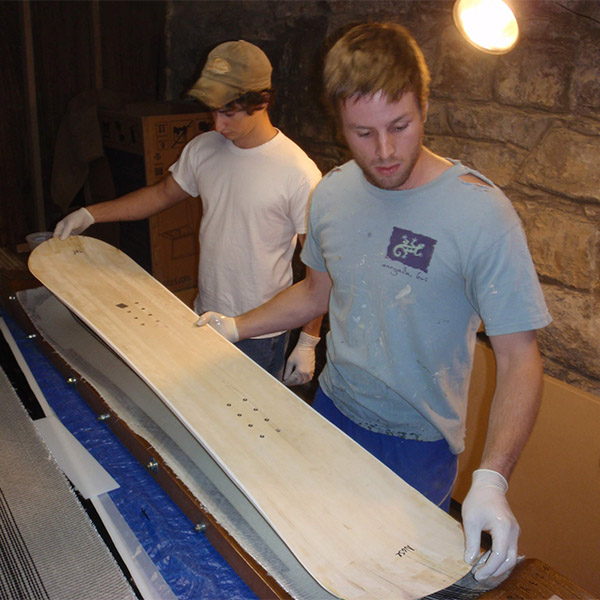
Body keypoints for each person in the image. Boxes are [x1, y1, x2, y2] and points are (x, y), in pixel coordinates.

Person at [197, 22, 552, 582]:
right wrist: (235, 328)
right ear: (339, 119)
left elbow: (519, 355)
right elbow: (316, 290)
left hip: (420, 442)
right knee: (310, 562)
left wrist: (492, 477)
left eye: (400, 126)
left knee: (387, 582)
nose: (385, 152)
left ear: (424, 106)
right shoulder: (333, 193)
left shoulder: (480, 213)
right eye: (363, 133)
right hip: (333, 413)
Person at [54, 40, 322, 384]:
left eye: (229, 112)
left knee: (244, 425)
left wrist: (308, 340)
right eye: (212, 111)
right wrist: (90, 214)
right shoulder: (204, 148)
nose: (218, 125)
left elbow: (321, 272)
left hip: (261, 333)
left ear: (263, 101)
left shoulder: (298, 173)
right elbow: (161, 194)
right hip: (206, 313)